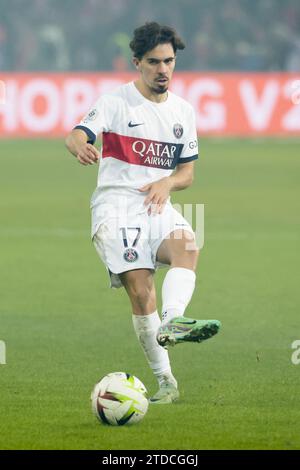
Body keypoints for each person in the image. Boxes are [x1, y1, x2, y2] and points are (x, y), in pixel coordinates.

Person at [65, 22, 221, 404]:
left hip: (157, 203)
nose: (162, 69)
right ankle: (166, 380)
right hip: (116, 208)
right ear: (137, 63)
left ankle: (174, 322)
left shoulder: (183, 111)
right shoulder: (115, 102)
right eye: (153, 62)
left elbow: (187, 173)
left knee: (188, 244)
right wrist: (79, 146)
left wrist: (168, 183)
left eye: (169, 61)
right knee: (141, 288)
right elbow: (77, 133)